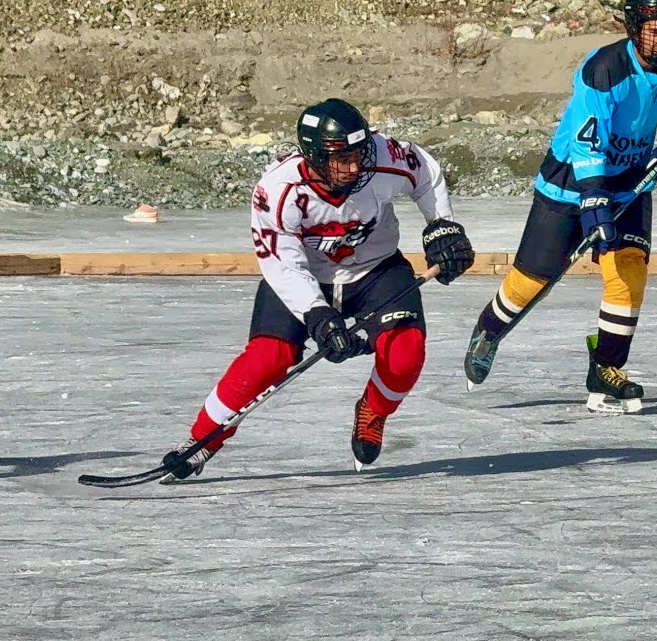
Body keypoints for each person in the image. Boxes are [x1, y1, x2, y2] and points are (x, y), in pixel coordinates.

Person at [161, 98, 475, 482]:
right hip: (304, 277)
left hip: (376, 269)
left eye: (358, 154)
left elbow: (425, 172)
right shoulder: (277, 191)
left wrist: (442, 226)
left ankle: (373, 411)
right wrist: (317, 315)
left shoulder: (383, 155)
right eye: (341, 158)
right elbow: (283, 263)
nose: (355, 166)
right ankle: (202, 441)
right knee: (267, 358)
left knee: (405, 351)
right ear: (313, 156)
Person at [462, 0, 657, 414]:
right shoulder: (605, 69)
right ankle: (489, 328)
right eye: (654, 29)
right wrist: (594, 196)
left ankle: (606, 371)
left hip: (631, 180)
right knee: (531, 281)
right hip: (571, 181)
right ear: (635, 28)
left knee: (628, 270)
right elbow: (587, 142)